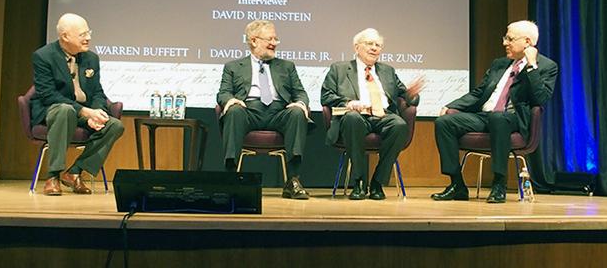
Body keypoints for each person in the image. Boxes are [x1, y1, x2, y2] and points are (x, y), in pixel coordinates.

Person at [432, 20, 557, 203]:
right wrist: (452, 105)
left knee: (498, 118)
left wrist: (531, 66)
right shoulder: (500, 64)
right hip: (485, 116)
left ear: (528, 42)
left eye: (510, 38)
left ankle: (499, 184)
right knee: (444, 122)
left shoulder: (547, 66)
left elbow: (540, 98)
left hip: (513, 119)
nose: (504, 43)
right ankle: (457, 184)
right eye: (505, 38)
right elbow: (479, 93)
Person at [321, 28, 424, 200]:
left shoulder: (387, 71)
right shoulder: (339, 69)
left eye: (378, 45)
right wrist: (348, 103)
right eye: (369, 44)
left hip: (383, 116)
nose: (374, 48)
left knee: (399, 125)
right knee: (353, 119)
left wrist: (412, 94)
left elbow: (405, 96)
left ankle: (377, 181)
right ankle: (359, 181)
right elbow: (326, 95)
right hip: (355, 115)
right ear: (356, 47)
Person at [30, 13, 124, 196]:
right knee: (65, 110)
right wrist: (84, 112)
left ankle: (74, 172)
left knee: (115, 125)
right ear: (65, 36)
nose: (88, 38)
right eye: (82, 34)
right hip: (54, 110)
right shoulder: (43, 56)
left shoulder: (91, 59)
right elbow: (48, 95)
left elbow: (97, 92)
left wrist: (96, 113)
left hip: (83, 112)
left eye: (88, 32)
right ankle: (53, 176)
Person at [217, 20, 312, 199]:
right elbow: (223, 93)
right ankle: (231, 178)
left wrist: (300, 103)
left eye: (276, 39)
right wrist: (231, 101)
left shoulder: (287, 66)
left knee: (297, 112)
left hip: (279, 112)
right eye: (270, 39)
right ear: (254, 41)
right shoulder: (233, 67)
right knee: (234, 111)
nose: (275, 43)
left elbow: (301, 93)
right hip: (248, 111)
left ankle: (293, 180)